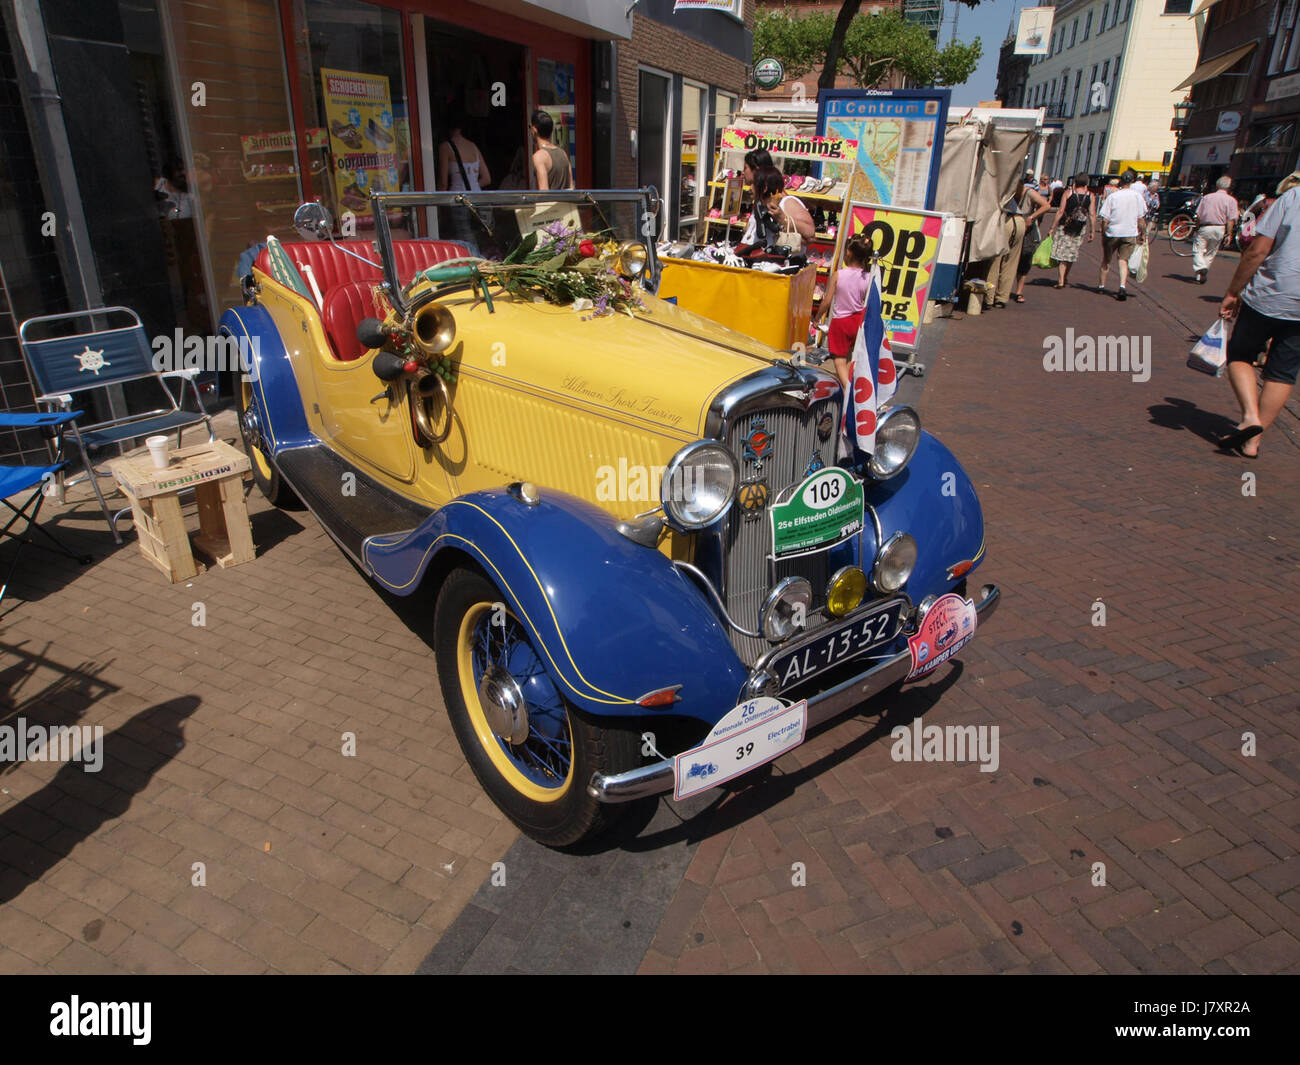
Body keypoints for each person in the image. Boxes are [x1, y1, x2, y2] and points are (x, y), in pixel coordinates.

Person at [1217, 183, 1300, 459]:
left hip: (1273, 293)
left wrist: (1233, 292)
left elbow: (1258, 250)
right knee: (1282, 372)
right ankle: (1253, 442)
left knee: (1240, 354)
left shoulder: (1292, 197)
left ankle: (1251, 417)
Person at [814, 233, 873, 390]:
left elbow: (826, 301)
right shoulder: (868, 277)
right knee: (849, 359)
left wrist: (817, 318)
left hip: (841, 322)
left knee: (839, 360)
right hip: (858, 320)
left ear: (848, 252)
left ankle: (849, 393)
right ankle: (849, 385)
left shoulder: (838, 275)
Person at [438, 111, 492, 252]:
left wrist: (440, 206)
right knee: (478, 237)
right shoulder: (473, 146)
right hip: (478, 198)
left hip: (458, 199)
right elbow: (487, 178)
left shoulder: (445, 147)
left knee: (464, 239)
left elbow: (443, 183)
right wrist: (473, 186)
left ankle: (473, 264)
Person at [738, 164, 814, 249]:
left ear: (764, 188)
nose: (750, 188)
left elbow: (810, 235)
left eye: (753, 184)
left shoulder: (787, 203)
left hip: (778, 261)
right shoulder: (759, 204)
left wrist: (782, 219)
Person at [1097, 172, 1146, 300]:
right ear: (1131, 181)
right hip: (1130, 232)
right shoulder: (1137, 196)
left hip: (1113, 232)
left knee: (1106, 259)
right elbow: (1141, 219)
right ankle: (1122, 286)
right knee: (1123, 260)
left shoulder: (1113, 196)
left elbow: (1105, 218)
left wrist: (1103, 232)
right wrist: (1143, 234)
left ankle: (1102, 286)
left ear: (1120, 181)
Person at [1050, 172, 1097, 288]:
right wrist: (1092, 231)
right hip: (1079, 227)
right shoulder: (1091, 195)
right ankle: (1065, 277)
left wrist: (1052, 227)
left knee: (1062, 254)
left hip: (1065, 225)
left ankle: (1061, 281)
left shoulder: (1068, 193)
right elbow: (1092, 214)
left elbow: (1060, 211)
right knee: (1071, 253)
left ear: (1075, 181)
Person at [1008, 184, 1052, 304]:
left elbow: (1047, 205)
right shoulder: (1008, 192)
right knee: (1007, 258)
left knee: (1025, 258)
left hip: (1027, 231)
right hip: (1011, 227)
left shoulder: (1029, 193)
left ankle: (1018, 291)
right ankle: (1003, 289)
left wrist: (1032, 217)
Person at [1192, 175, 1239, 284]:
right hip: (1220, 228)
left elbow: (1198, 215)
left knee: (1198, 249)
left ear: (1217, 185)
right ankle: (1201, 274)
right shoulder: (1231, 200)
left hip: (1205, 227)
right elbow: (1231, 220)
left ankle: (1200, 268)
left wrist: (1197, 227)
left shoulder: (1207, 197)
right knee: (1211, 252)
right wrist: (1229, 234)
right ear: (1229, 187)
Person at [530, 109, 573, 191]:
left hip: (550, 203)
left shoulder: (539, 156)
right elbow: (571, 187)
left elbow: (544, 191)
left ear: (534, 130)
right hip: (567, 203)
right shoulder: (563, 153)